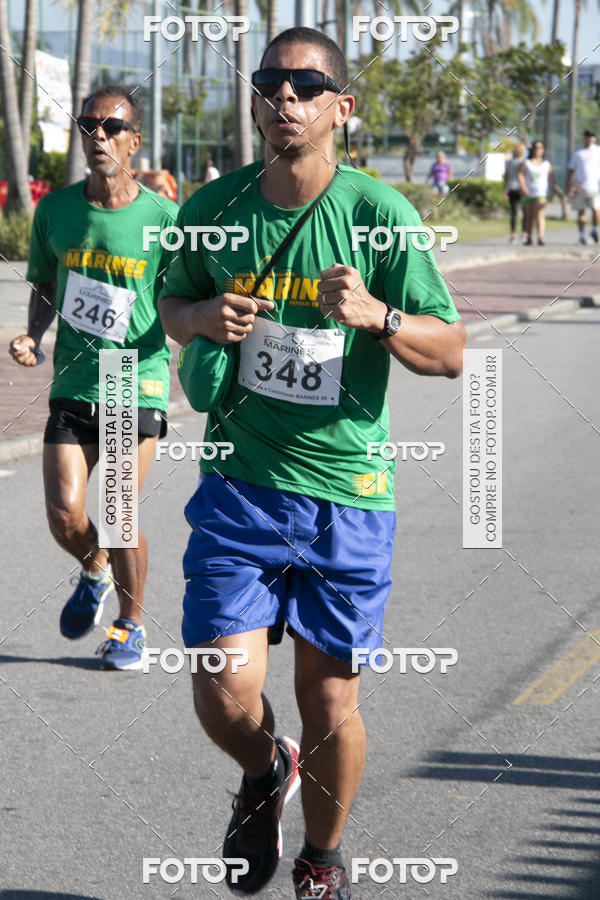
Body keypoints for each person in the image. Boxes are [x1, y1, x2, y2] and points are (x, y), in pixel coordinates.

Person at [159, 27, 465, 899]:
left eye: (305, 84)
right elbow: (172, 305)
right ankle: (266, 771)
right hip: (241, 486)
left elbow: (451, 352)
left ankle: (322, 858)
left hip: (347, 494)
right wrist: (202, 318)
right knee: (222, 688)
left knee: (330, 702)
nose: (284, 98)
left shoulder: (380, 215)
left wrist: (380, 316)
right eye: (270, 83)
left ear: (342, 107)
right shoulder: (212, 207)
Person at [8, 85, 178, 670]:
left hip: (133, 373)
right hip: (76, 377)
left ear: (135, 141)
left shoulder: (163, 219)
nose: (98, 135)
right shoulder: (55, 211)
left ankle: (131, 626)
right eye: (88, 125)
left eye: (111, 127)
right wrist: (33, 335)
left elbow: (185, 295)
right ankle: (96, 568)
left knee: (119, 511)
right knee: (64, 515)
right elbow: (45, 283)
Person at [567, 129, 600, 245]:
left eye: (591, 136)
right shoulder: (578, 153)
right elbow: (570, 170)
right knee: (581, 212)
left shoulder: (598, 150)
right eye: (587, 136)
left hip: (595, 187)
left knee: (596, 210)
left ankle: (594, 230)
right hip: (580, 187)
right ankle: (582, 236)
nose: (589, 139)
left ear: (594, 139)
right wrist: (569, 186)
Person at [519, 140, 554, 246]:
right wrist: (523, 187)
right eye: (536, 148)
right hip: (529, 193)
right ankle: (529, 237)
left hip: (541, 193)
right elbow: (520, 175)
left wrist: (551, 192)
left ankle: (540, 237)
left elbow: (551, 179)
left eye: (541, 148)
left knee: (540, 215)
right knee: (529, 216)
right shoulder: (527, 162)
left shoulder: (546, 164)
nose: (538, 150)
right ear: (532, 149)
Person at [504, 141, 527, 243]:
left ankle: (513, 234)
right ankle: (524, 233)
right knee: (525, 211)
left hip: (511, 187)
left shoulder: (509, 162)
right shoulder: (524, 162)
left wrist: (505, 188)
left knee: (513, 212)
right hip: (522, 188)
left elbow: (506, 176)